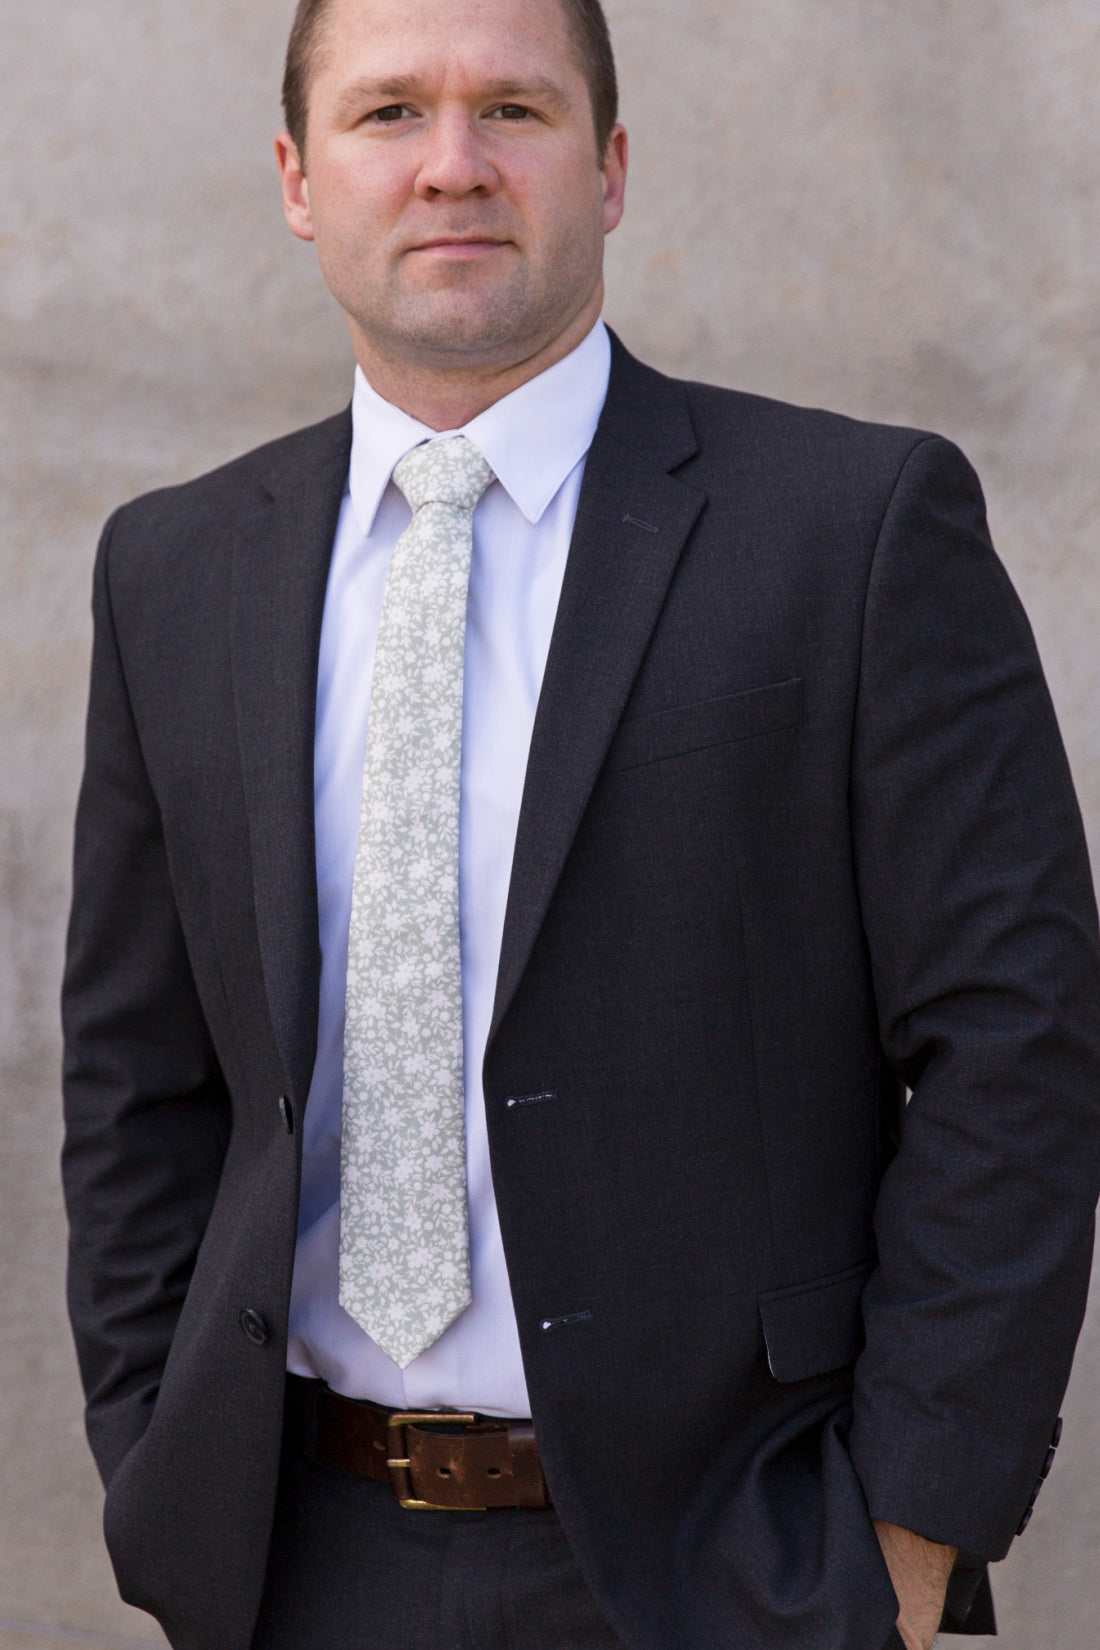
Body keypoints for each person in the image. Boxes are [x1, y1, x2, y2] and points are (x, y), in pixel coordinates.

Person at [60, 0, 1100, 1646]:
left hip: (741, 1568)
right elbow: (140, 1080)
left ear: (609, 170)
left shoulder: (856, 531)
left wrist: (904, 1544)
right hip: (299, 1563)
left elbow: (1020, 1048)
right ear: (297, 178)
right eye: (389, 113)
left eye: (517, 113)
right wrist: (154, 1454)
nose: (453, 166)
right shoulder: (177, 572)